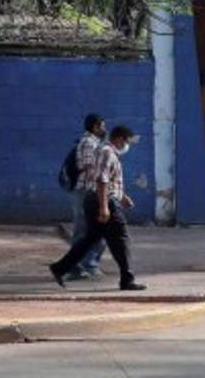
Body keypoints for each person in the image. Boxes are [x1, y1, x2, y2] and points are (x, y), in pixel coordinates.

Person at [49, 125, 146, 291]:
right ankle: (127, 279)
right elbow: (102, 180)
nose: (127, 146)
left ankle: (59, 268)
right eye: (127, 142)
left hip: (98, 200)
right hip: (103, 201)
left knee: (90, 239)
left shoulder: (104, 151)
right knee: (121, 239)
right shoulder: (107, 152)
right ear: (120, 139)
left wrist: (122, 196)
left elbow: (107, 180)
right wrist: (104, 208)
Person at [68, 113, 108, 279]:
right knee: (85, 230)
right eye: (102, 126)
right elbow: (89, 167)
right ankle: (82, 266)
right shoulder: (88, 143)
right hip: (86, 191)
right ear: (95, 127)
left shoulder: (96, 143)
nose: (105, 129)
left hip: (90, 191)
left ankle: (85, 265)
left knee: (96, 230)